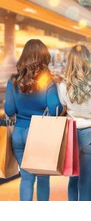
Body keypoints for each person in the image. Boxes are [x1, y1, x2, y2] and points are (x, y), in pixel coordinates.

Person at [4, 39, 63, 201]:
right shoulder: (47, 81)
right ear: (44, 57)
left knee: (26, 178)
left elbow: (9, 110)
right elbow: (54, 109)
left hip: (19, 135)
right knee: (43, 179)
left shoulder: (13, 80)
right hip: (39, 135)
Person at [57, 45, 91, 201]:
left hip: (71, 135)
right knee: (86, 184)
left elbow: (62, 108)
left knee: (73, 181)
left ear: (69, 61)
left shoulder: (62, 86)